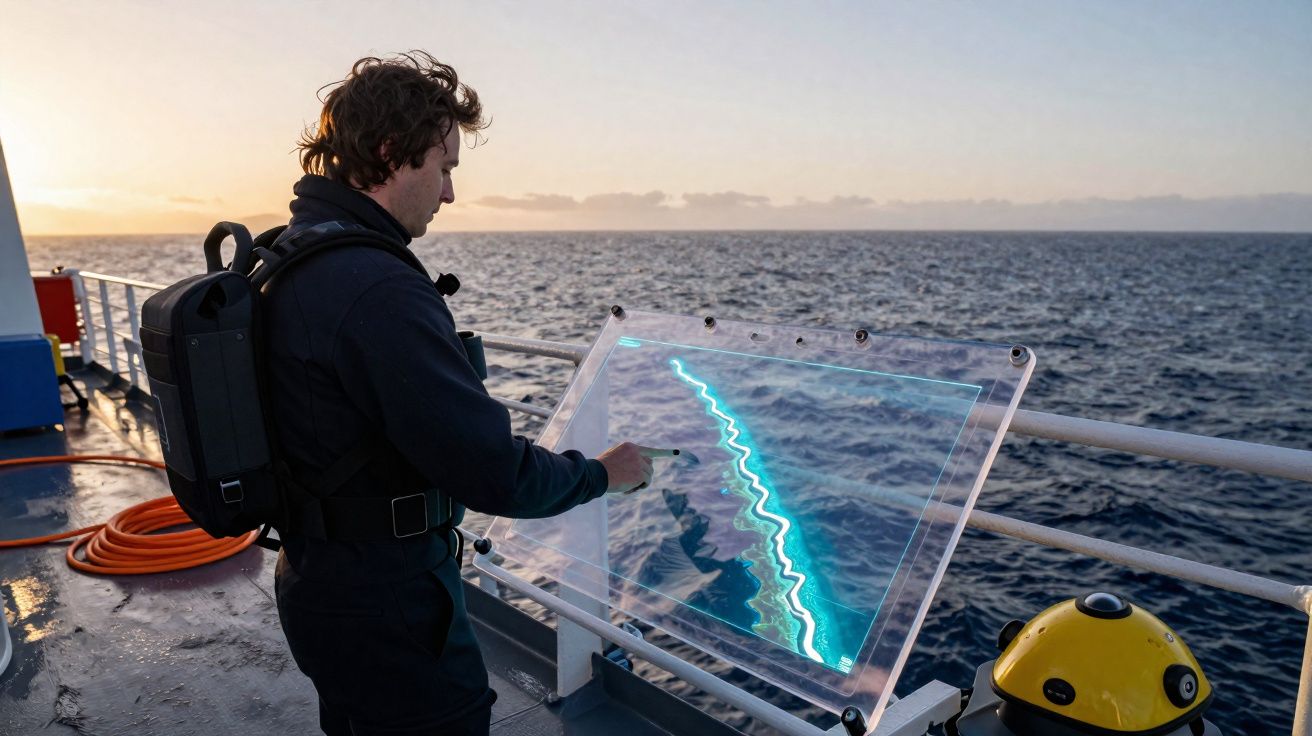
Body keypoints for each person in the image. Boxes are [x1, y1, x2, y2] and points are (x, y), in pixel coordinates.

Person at [264, 51, 657, 735]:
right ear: (391, 153)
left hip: (319, 580)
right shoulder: (374, 288)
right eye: (444, 168)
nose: (449, 194)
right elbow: (494, 474)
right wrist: (601, 474)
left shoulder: (294, 253)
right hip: (387, 607)